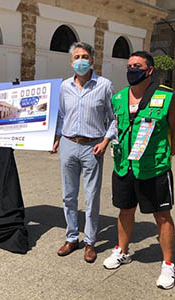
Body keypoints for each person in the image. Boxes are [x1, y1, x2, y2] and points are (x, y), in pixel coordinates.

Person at [103, 51, 175, 290]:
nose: (131, 69)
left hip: (153, 169)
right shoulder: (118, 98)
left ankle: (168, 264)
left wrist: (162, 156)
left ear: (149, 70)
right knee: (125, 211)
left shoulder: (167, 97)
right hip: (123, 166)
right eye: (128, 65)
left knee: (161, 216)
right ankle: (122, 250)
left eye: (137, 65)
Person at [52, 42, 116, 263]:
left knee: (91, 196)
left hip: (93, 147)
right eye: (77, 56)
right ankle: (72, 237)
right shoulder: (64, 87)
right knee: (68, 195)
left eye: (85, 56)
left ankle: (90, 241)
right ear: (71, 62)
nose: (80, 60)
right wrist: (57, 137)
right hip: (69, 144)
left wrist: (106, 141)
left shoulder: (104, 85)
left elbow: (113, 118)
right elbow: (60, 115)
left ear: (92, 61)